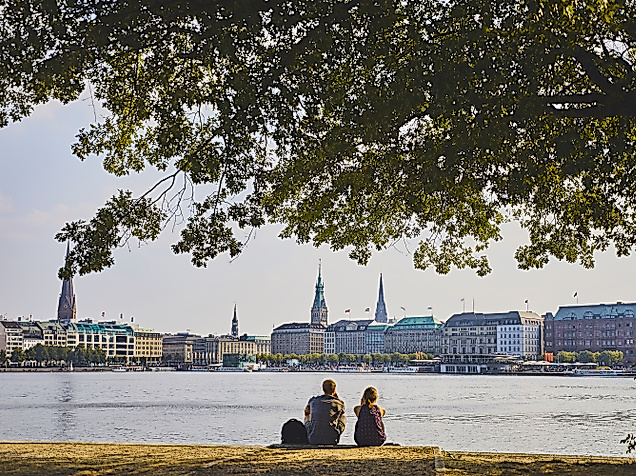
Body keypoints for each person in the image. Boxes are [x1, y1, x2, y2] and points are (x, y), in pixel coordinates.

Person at [304, 379, 346, 445]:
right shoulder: (339, 403)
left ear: (323, 389)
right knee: (343, 417)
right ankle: (335, 435)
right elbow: (341, 414)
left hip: (313, 439)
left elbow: (306, 413)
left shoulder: (313, 400)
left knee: (307, 417)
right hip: (331, 440)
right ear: (334, 390)